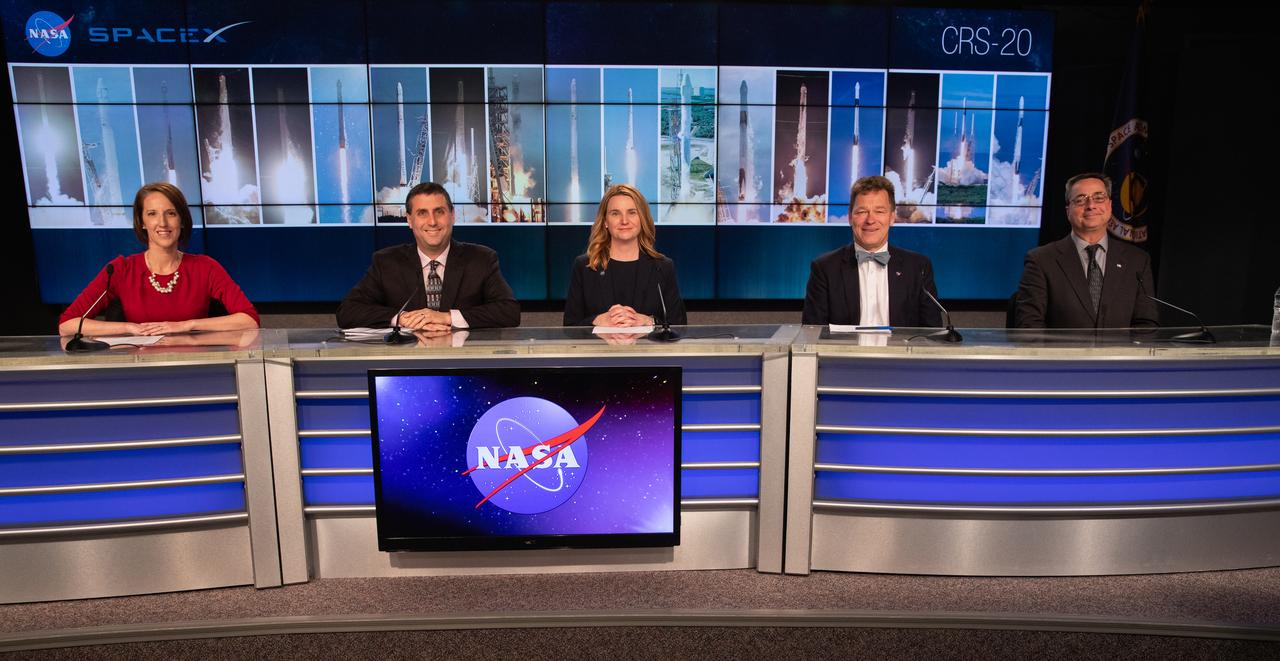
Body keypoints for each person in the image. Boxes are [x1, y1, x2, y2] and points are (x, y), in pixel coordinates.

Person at [57, 183, 259, 336]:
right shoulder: (120, 270)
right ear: (142, 222)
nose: (162, 223)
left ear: (181, 219)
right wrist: (128, 328)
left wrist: (187, 325)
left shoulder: (205, 268)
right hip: (139, 373)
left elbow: (249, 320)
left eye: (171, 213)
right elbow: (67, 325)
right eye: (152, 214)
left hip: (196, 369)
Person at [337, 182, 519, 330]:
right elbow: (348, 312)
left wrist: (447, 317)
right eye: (422, 213)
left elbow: (509, 311)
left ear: (452, 215)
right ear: (409, 220)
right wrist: (402, 319)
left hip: (464, 362)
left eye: (439, 212)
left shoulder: (481, 259)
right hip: (407, 364)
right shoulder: (386, 262)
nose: (432, 222)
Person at [1013, 173, 1158, 328]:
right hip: (1063, 352)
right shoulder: (1041, 260)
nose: (1090, 205)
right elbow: (1028, 326)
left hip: (1118, 352)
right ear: (1068, 210)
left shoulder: (1137, 261)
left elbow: (1146, 326)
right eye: (1081, 199)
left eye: (1099, 198)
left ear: (1109, 206)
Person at [802, 175, 942, 327]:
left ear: (892, 218)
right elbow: (812, 335)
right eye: (862, 212)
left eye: (879, 211)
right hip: (842, 352)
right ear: (850, 217)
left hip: (899, 351)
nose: (870, 220)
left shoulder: (918, 267)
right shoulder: (824, 268)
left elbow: (932, 333)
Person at [563, 184, 686, 327]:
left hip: (648, 349)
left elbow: (679, 325)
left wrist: (649, 321)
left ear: (642, 218)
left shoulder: (663, 266)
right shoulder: (584, 266)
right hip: (600, 349)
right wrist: (596, 321)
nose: (624, 221)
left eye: (632, 212)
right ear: (605, 222)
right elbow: (570, 327)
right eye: (615, 213)